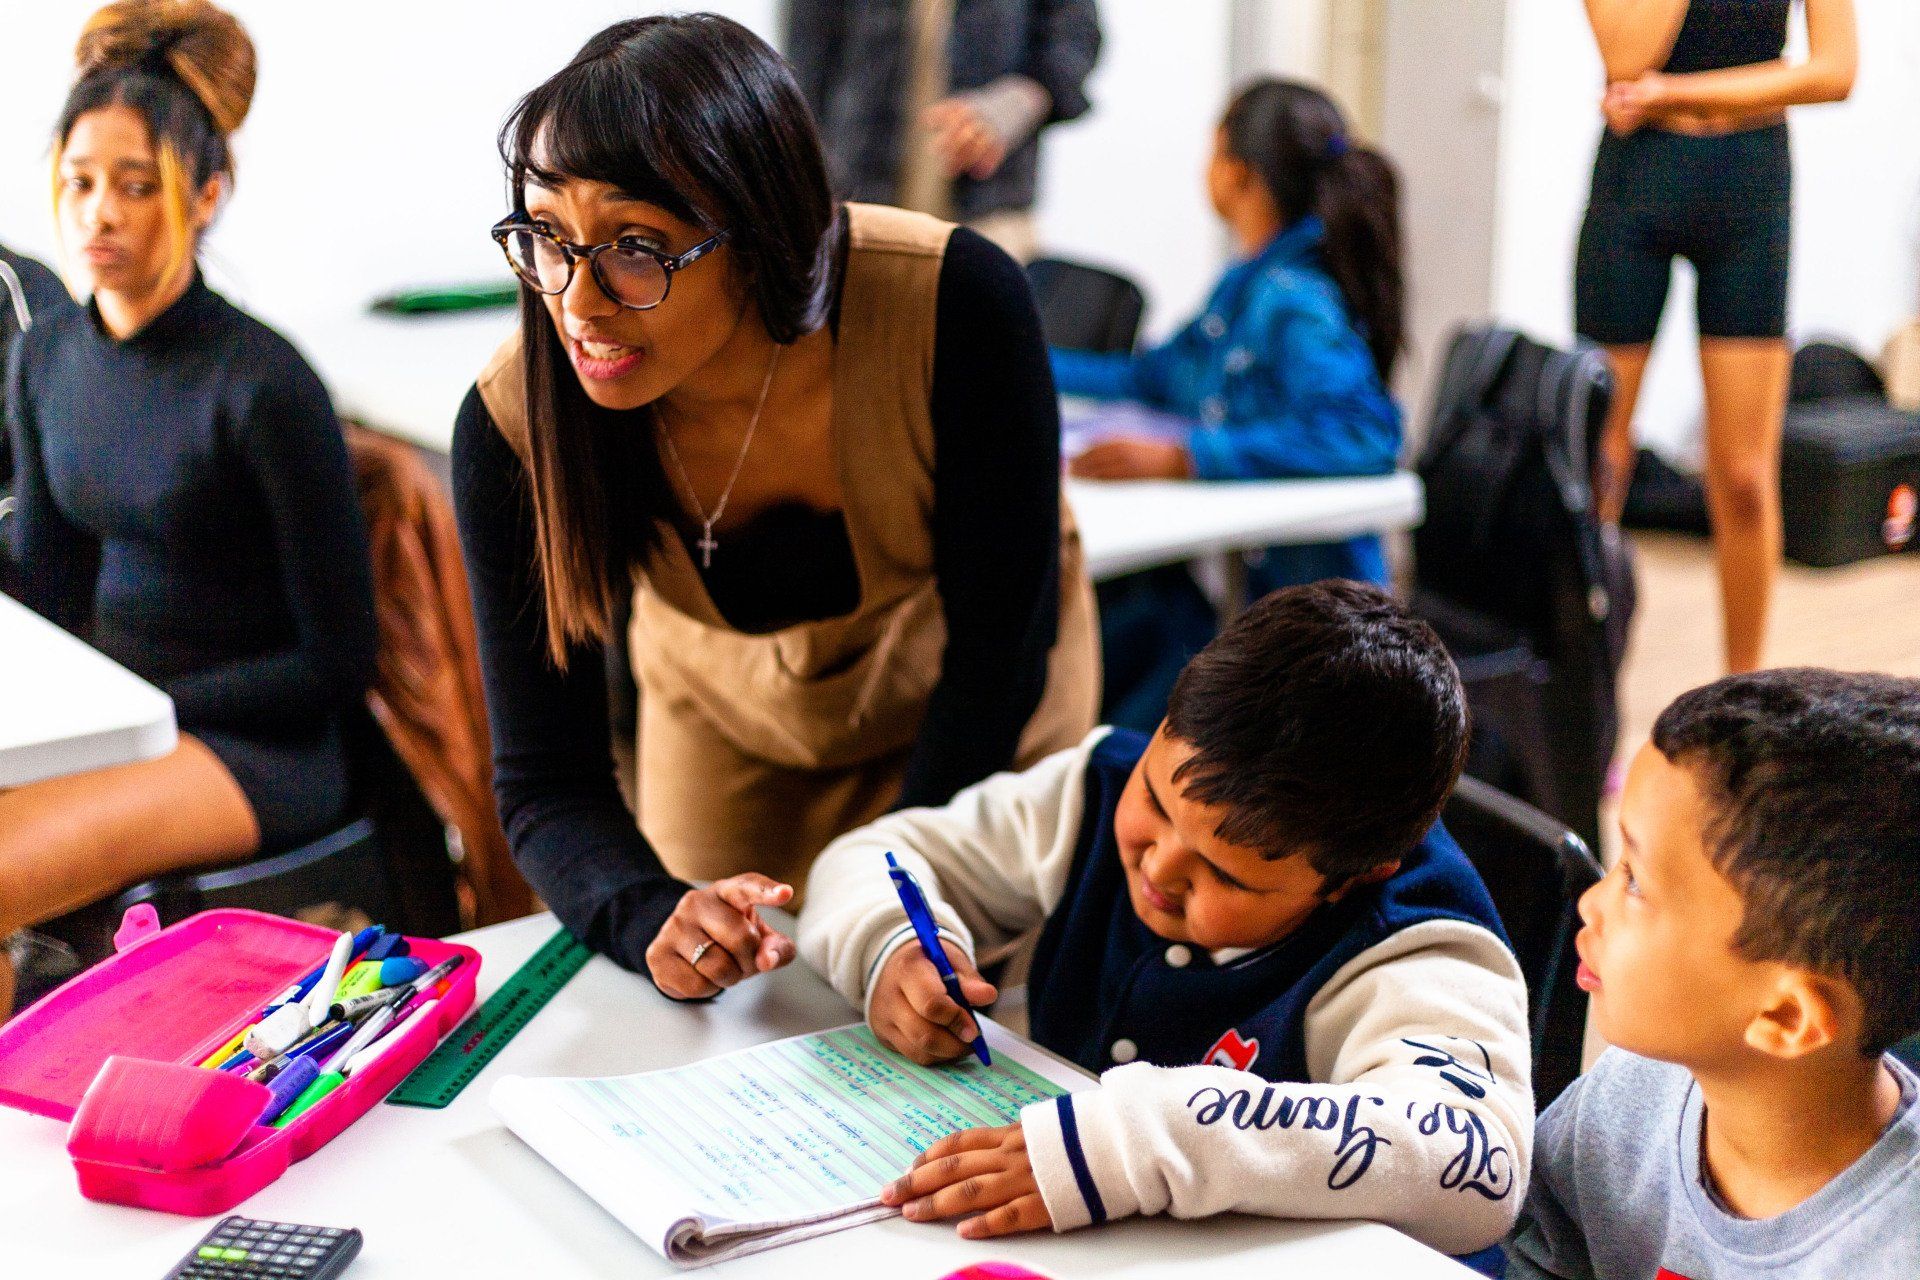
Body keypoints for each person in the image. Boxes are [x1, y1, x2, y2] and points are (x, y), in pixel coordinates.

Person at [451, 14, 1099, 1005]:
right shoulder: (516, 422)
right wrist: (644, 908)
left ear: (755, 236)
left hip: (966, 698)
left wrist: (894, 914)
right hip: (731, 707)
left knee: (967, 1004)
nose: (579, 303)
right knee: (740, 1004)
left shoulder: (953, 305)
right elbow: (548, 778)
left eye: (636, 247)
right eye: (546, 237)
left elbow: (998, 658)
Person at [796, 582, 1533, 1261]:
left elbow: (1480, 1164)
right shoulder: (1097, 785)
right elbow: (881, 853)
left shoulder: (1419, 945)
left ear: (1358, 875)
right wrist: (891, 943)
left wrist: (1139, 1141)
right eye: (1154, 800)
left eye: (1225, 875)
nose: (1159, 868)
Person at [1, 0, 376, 1016]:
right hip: (122, 723)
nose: (99, 215)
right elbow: (42, 584)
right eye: (79, 183)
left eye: (137, 186)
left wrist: (147, 715)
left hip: (257, 746)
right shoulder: (45, 357)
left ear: (206, 193)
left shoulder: (265, 383)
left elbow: (339, 662)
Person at [1506, 668, 1920, 1277]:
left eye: (1636, 883)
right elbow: (1534, 1254)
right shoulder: (1632, 1093)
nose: (1592, 902)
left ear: (1784, 1016)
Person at [1052, 79, 1403, 729]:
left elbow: (1364, 433)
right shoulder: (1245, 287)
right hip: (1246, 593)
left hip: (1309, 620)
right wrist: (1014, 353)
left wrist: (1187, 457)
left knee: (1125, 645)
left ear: (1238, 175)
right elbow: (1152, 378)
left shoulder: (1295, 299)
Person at [1578, 0, 1857, 673]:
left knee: (1742, 477)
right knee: (1599, 466)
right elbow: (1625, 56)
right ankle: (1583, 709)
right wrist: (1661, 91)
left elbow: (1835, 71)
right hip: (1638, 179)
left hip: (1750, 179)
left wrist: (1677, 92)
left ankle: (1745, 704)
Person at [784, 0, 1100, 263]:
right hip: (859, 214)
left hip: (989, 213)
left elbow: (1073, 44)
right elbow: (804, 78)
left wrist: (1011, 106)